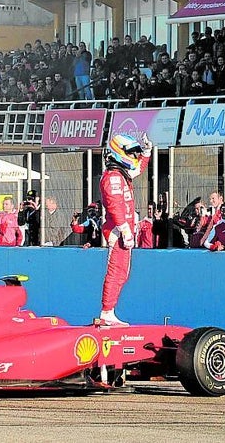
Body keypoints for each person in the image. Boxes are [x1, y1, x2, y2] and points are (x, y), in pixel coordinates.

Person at [99, 133, 152, 326]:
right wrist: (125, 230)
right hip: (117, 232)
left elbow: (137, 168)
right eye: (132, 152)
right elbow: (115, 205)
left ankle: (109, 311)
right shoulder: (113, 177)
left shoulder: (121, 174)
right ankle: (107, 312)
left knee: (123, 272)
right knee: (116, 271)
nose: (134, 155)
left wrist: (146, 151)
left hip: (123, 231)